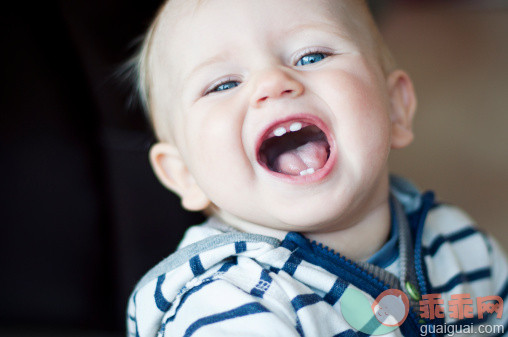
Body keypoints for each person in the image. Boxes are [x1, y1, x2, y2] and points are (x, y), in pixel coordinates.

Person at [126, 0, 508, 336]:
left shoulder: (463, 244)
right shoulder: (226, 309)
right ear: (185, 175)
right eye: (224, 84)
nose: (274, 82)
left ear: (395, 107)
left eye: (311, 57)